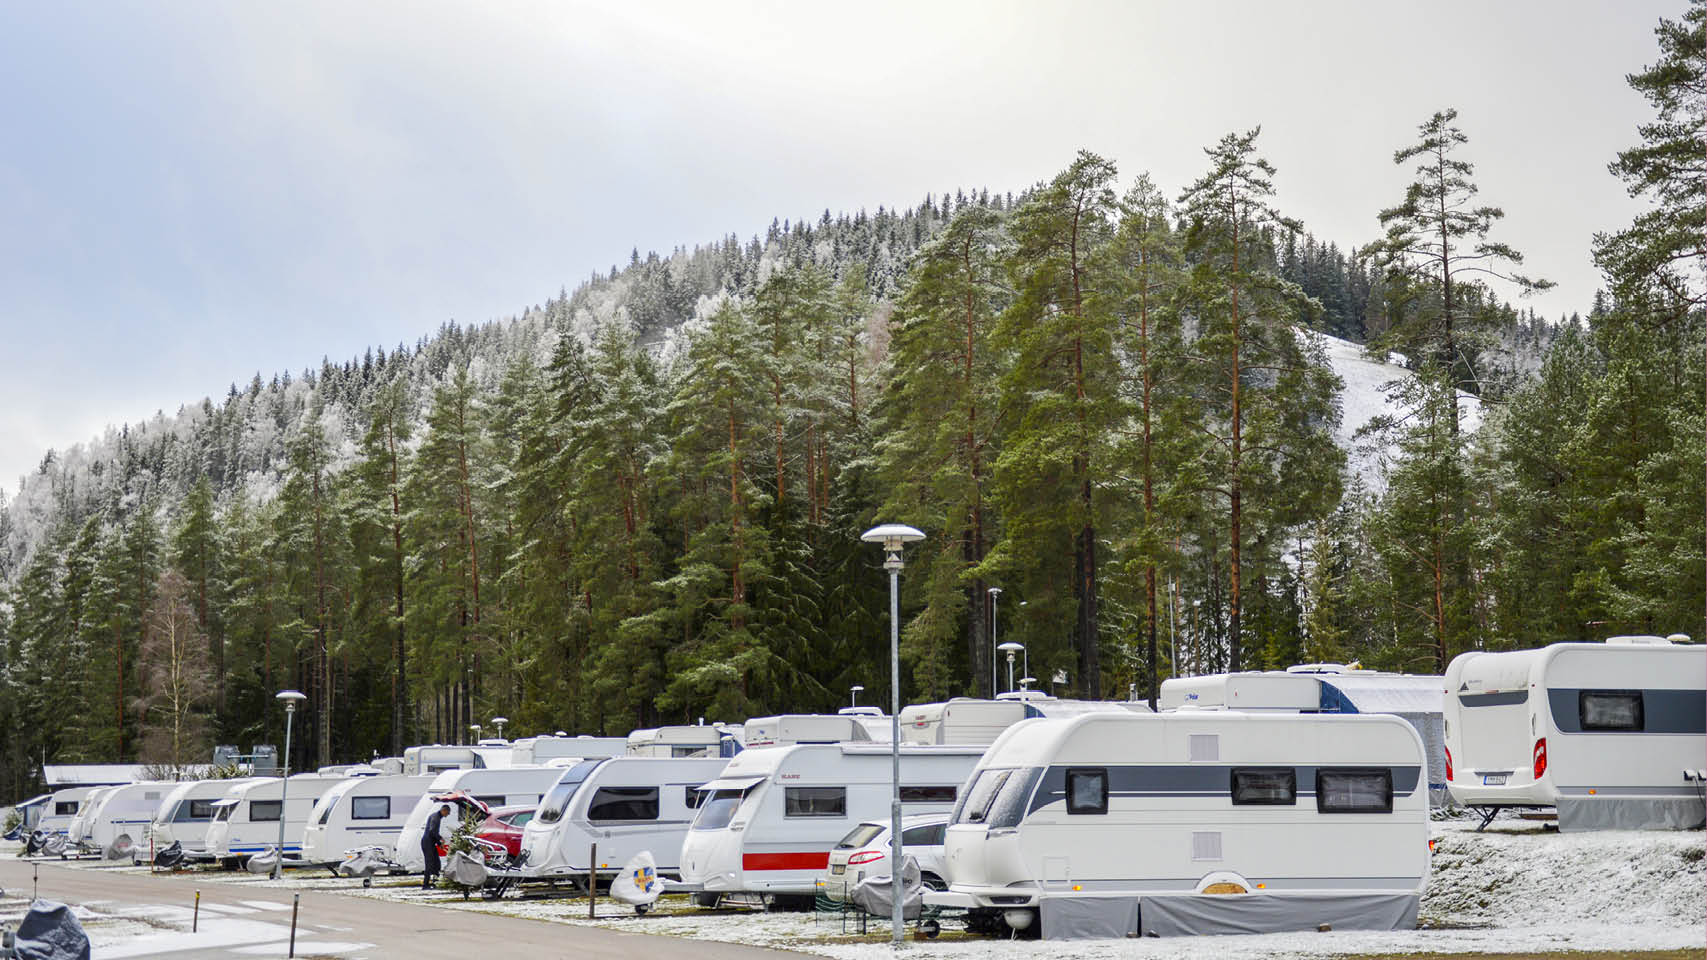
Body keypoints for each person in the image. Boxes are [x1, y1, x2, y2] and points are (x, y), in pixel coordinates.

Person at [421, 803, 451, 888]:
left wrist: (438, 842)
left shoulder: (437, 816)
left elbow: (433, 832)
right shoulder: (436, 817)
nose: (447, 815)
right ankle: (425, 884)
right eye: (447, 813)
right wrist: (440, 839)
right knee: (429, 863)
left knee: (436, 863)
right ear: (443, 810)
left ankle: (435, 881)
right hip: (427, 843)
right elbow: (432, 831)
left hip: (430, 842)